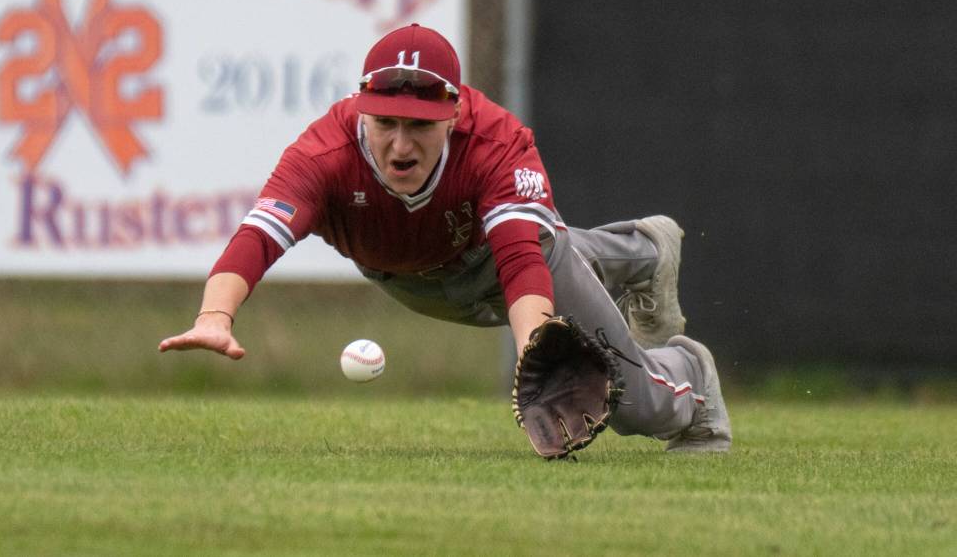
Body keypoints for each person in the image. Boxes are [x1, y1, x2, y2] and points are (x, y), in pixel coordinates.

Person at [159, 24, 731, 453]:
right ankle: (643, 251)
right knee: (541, 249)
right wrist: (215, 315)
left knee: (631, 405)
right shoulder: (325, 153)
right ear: (362, 110)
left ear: (453, 115)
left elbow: (516, 257)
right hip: (411, 282)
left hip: (507, 260)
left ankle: (691, 376)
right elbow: (258, 237)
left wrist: (537, 344)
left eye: (419, 126)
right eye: (386, 122)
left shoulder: (494, 143)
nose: (400, 145)